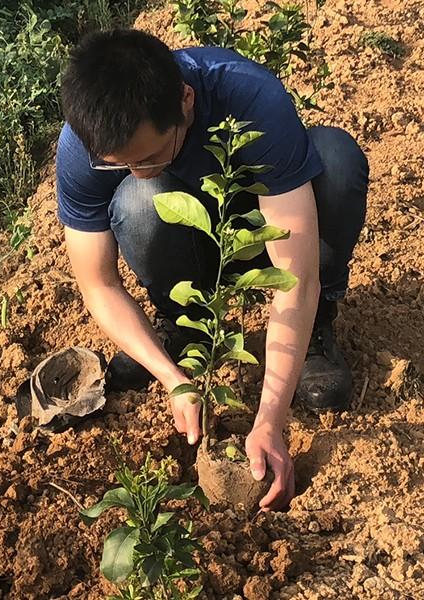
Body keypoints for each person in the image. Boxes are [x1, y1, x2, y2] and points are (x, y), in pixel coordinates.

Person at [56, 29, 369, 510]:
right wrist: (173, 379)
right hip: (187, 242)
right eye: (123, 163)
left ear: (185, 101)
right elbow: (98, 284)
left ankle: (316, 332)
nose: (138, 168)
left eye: (152, 155)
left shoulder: (249, 97)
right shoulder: (85, 147)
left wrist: (269, 419)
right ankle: (184, 327)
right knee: (141, 201)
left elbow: (294, 273)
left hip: (256, 224)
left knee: (336, 160)